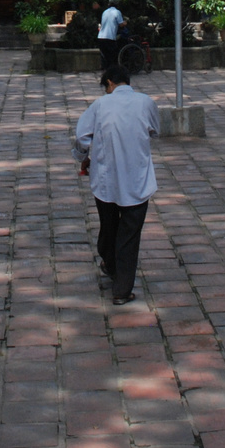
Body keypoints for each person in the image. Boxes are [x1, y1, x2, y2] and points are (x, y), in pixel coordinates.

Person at [73, 65, 159, 305]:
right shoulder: (146, 102)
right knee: (130, 234)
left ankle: (111, 265)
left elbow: (82, 137)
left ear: (109, 83)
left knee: (109, 226)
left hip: (106, 179)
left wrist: (82, 156)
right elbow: (155, 131)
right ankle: (121, 288)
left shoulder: (100, 105)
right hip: (137, 178)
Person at [97, 0, 124, 70]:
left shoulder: (105, 12)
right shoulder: (117, 12)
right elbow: (121, 24)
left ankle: (105, 72)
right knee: (112, 57)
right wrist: (126, 22)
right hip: (109, 37)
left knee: (105, 57)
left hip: (100, 37)